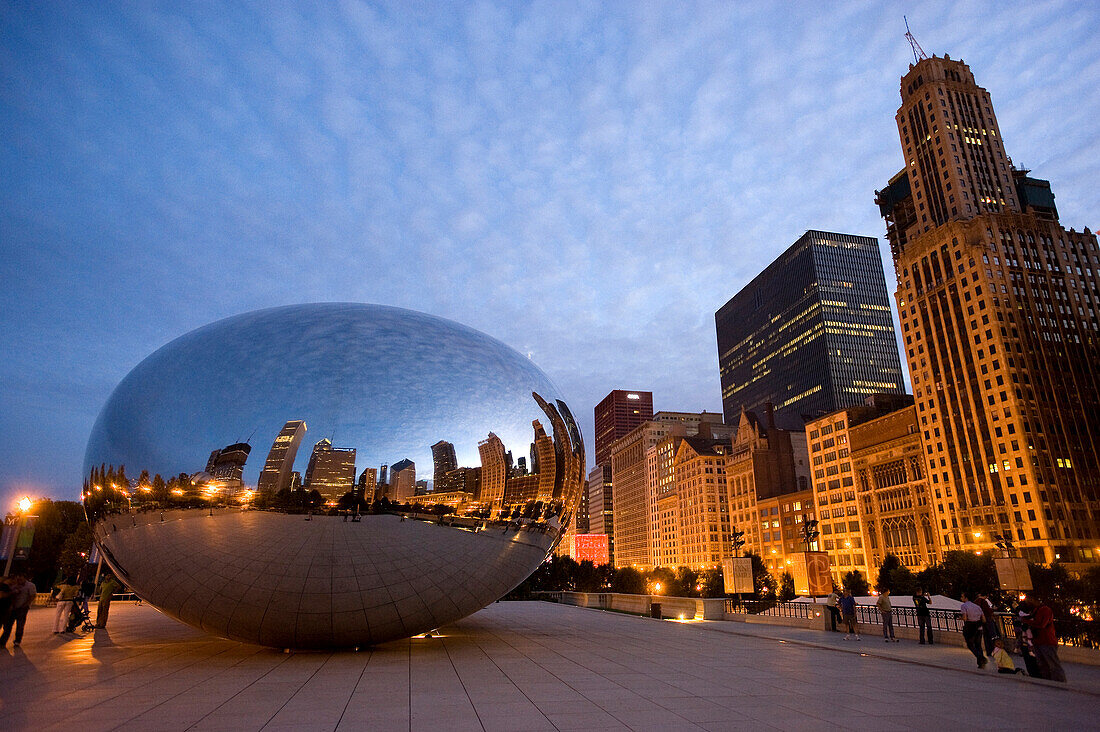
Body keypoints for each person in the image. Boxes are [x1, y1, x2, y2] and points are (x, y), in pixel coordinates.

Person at [1023, 596, 1066, 682]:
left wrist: (1026, 621)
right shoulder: (1036, 610)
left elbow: (1042, 624)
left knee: (1052, 663)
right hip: (1038, 641)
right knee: (1042, 663)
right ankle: (1047, 680)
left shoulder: (1045, 610)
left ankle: (1059, 681)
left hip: (1047, 641)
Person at [0, 572, 38, 647]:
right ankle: (2, 642)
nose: (19, 579)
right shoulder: (14, 585)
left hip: (22, 608)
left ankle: (17, 640)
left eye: (21, 577)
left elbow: (32, 596)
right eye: (18, 577)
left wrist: (26, 605)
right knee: (8, 625)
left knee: (20, 625)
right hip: (13, 608)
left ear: (25, 577)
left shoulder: (30, 585)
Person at [959, 592, 987, 668]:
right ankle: (981, 664)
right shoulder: (977, 607)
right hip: (979, 627)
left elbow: (965, 618)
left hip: (971, 627)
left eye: (962, 597)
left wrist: (960, 618)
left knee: (970, 644)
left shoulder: (964, 606)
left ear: (966, 598)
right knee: (978, 645)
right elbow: (984, 619)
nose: (961, 598)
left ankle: (981, 658)